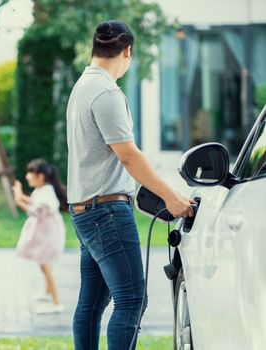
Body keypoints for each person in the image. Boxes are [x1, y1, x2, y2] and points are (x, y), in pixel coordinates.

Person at [66, 20, 195, 349]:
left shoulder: (82, 86)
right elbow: (128, 155)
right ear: (128, 51)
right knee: (131, 300)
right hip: (106, 212)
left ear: (96, 49)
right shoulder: (106, 91)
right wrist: (171, 196)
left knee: (91, 304)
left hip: (85, 211)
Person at [12, 159, 67, 314]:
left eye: (30, 173)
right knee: (43, 263)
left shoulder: (46, 193)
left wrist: (18, 199)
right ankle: (48, 292)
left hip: (49, 235)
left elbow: (36, 210)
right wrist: (21, 194)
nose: (27, 176)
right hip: (45, 233)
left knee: (45, 264)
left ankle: (56, 302)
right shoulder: (42, 190)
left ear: (40, 176)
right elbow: (33, 201)